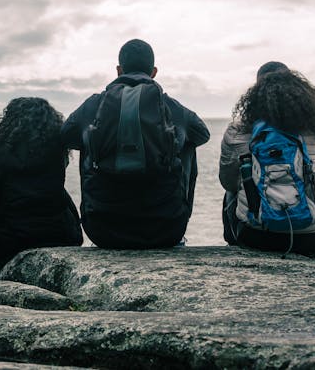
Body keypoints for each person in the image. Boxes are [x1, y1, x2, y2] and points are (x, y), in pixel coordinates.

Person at [61, 39, 210, 248]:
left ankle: (98, 205)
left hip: (102, 229)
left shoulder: (94, 105)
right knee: (187, 142)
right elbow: (203, 134)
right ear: (154, 72)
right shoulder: (171, 107)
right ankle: (177, 210)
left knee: (87, 139)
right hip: (167, 228)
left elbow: (66, 137)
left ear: (119, 70)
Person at [219, 62, 315, 257]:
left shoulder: (238, 130)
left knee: (231, 193)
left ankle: (235, 248)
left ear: (255, 93)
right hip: (309, 240)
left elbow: (228, 181)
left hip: (255, 237)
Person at [0, 97, 83, 267]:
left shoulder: (0, 154)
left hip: (7, 243)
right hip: (59, 236)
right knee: (59, 193)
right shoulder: (56, 151)